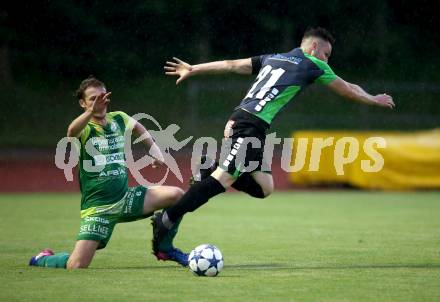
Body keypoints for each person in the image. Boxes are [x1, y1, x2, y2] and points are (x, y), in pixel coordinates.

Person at [151, 27, 395, 253]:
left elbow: (232, 64)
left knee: (264, 187)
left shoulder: (274, 57)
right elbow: (347, 89)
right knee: (223, 179)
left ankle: (209, 167)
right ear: (313, 48)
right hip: (248, 125)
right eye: (327, 54)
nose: (327, 60)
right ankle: (168, 217)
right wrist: (373, 100)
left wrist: (194, 69)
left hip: (248, 123)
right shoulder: (313, 64)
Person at [29, 76, 189, 268]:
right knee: (76, 265)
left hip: (125, 199)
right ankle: (43, 259)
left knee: (178, 196)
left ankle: (164, 247)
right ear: (82, 103)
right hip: (99, 209)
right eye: (93, 98)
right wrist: (90, 111)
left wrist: (155, 151)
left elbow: (138, 127)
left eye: (102, 96)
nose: (99, 101)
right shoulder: (85, 128)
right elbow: (71, 131)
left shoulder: (119, 118)